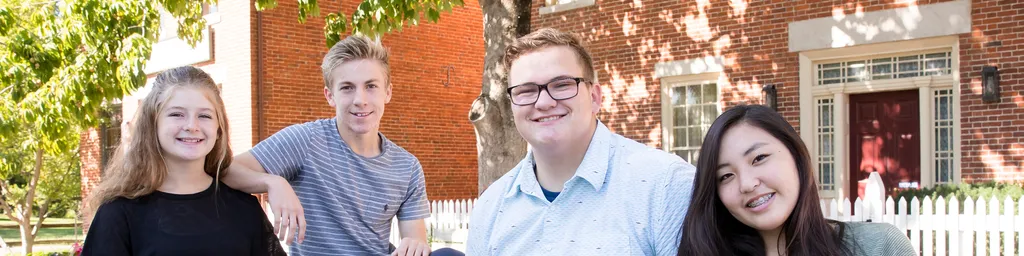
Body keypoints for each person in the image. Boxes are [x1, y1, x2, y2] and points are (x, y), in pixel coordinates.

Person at [466, 28, 696, 255]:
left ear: (595, 97)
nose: (544, 102)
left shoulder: (666, 185)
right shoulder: (490, 208)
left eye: (562, 85)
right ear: (512, 105)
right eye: (526, 90)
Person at [219, 35, 445, 256]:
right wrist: (272, 182)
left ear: (388, 92)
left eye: (371, 86)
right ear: (330, 96)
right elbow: (224, 169)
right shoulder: (306, 141)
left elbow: (415, 241)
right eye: (347, 88)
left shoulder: (407, 167)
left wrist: (415, 247)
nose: (360, 99)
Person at [82, 66, 285, 255]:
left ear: (219, 127)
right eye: (177, 114)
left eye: (204, 116)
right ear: (152, 124)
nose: (191, 125)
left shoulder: (244, 209)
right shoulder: (118, 213)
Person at [678, 104, 916, 256]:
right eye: (726, 176)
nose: (746, 184)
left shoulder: (879, 247)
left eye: (759, 158)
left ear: (796, 156)